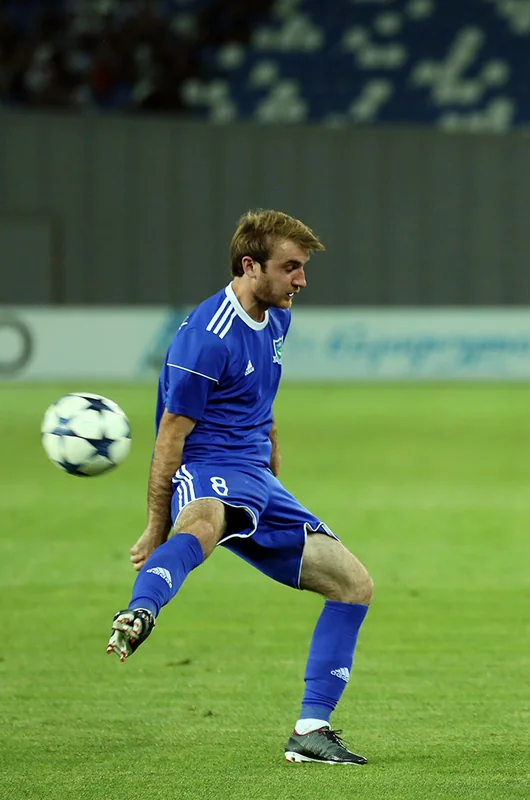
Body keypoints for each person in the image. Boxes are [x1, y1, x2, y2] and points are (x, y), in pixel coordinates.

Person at [106, 209, 374, 765]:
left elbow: (261, 392)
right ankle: (141, 610)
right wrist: (157, 525)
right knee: (202, 525)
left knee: (354, 584)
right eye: (291, 267)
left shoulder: (277, 315)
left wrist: (272, 447)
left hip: (257, 475)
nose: (302, 280)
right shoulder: (206, 338)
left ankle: (310, 733)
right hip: (207, 465)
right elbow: (170, 438)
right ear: (251, 266)